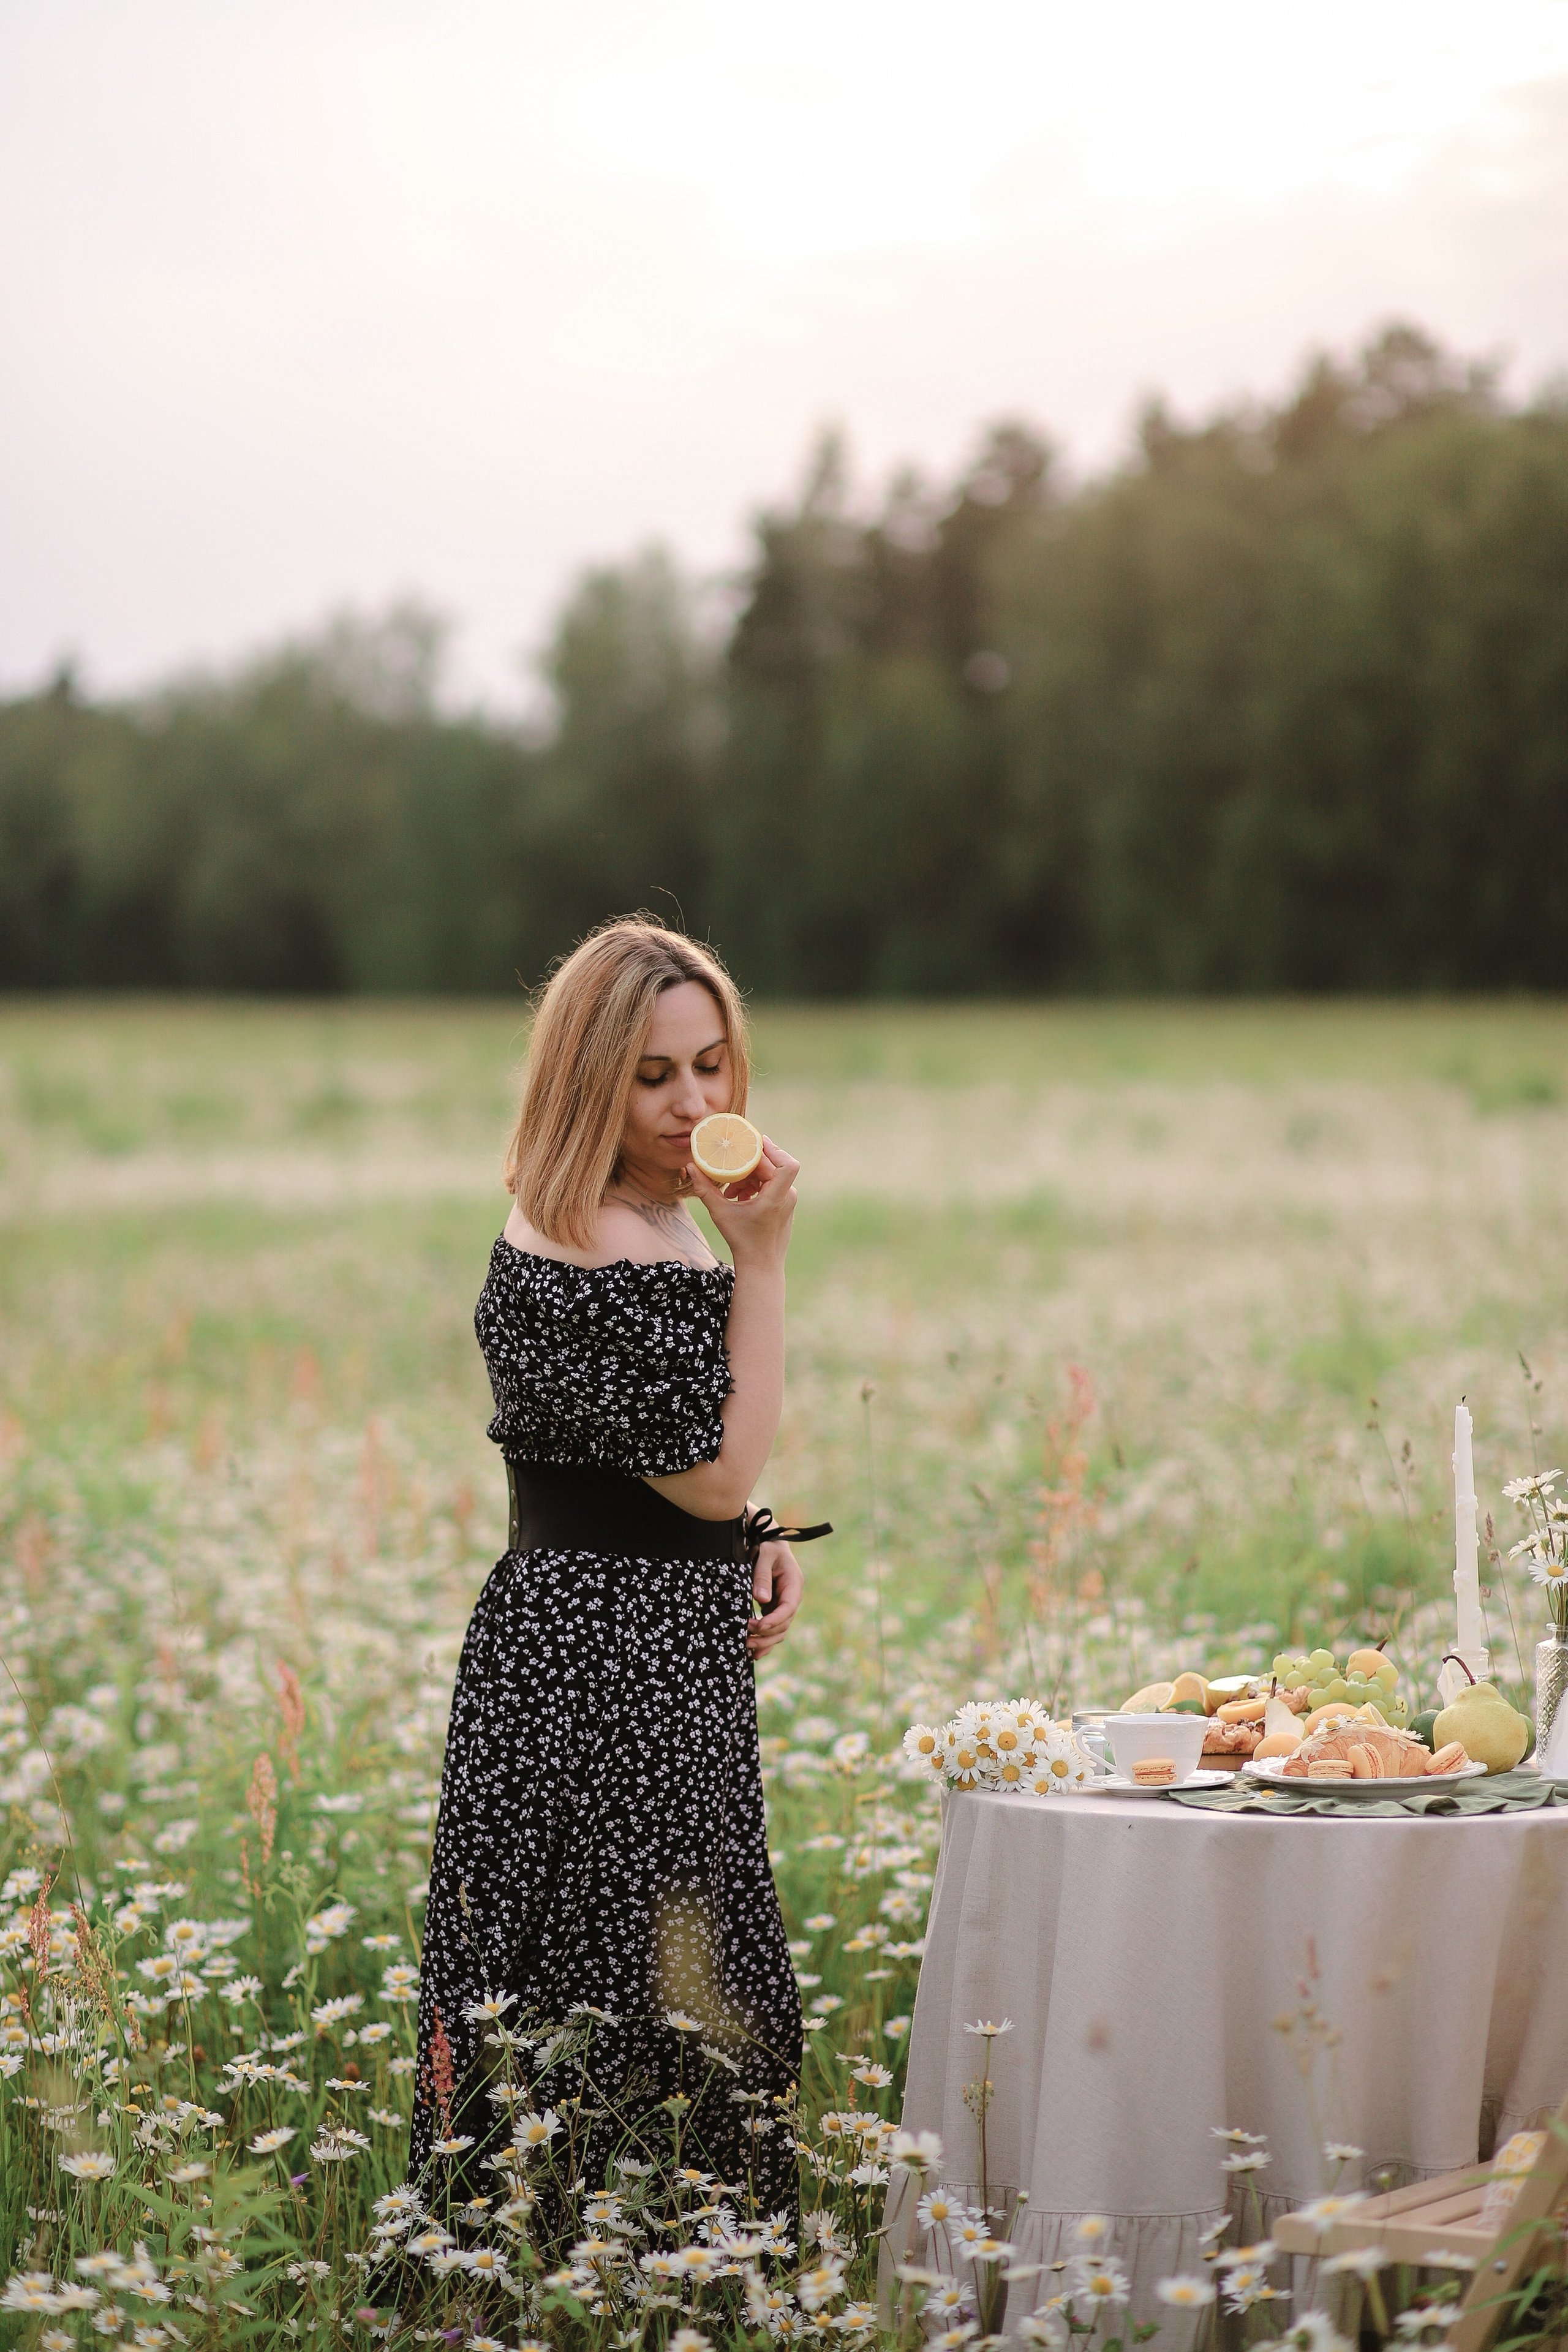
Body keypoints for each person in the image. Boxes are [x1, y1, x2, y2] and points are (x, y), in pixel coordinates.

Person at [412, 916, 820, 2224]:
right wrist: (764, 1261)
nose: (693, 1103)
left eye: (710, 1065)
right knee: (619, 1977)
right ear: (589, 1078)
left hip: (645, 1638)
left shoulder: (654, 1215)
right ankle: (592, 2264)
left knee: (664, 1964)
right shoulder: (596, 1234)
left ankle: (663, 2265)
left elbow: (642, 1459)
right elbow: (706, 1469)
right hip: (599, 1663)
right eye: (653, 1076)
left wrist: (748, 1536)